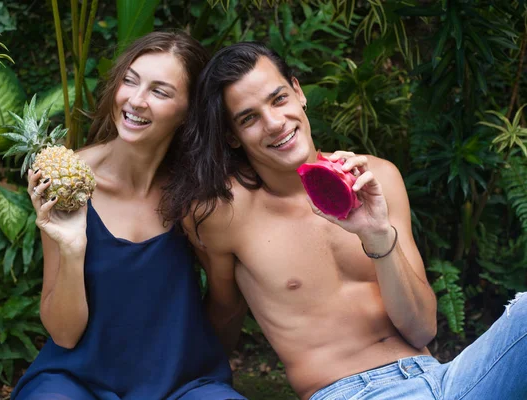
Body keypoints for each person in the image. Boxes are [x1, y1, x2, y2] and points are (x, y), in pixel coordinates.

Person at [163, 42, 527, 400]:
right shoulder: (223, 214)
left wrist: (378, 235)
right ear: (232, 137)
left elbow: (422, 331)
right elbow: (225, 311)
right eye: (249, 118)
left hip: (444, 380)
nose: (274, 124)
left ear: (298, 92)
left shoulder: (377, 177)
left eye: (278, 99)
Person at [11, 31, 247, 400]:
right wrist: (72, 247)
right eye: (130, 81)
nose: (136, 101)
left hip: (181, 383)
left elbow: (227, 300)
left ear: (189, 111)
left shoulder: (197, 194)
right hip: (76, 380)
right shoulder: (65, 181)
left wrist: (202, 365)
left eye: (160, 91)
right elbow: (63, 333)